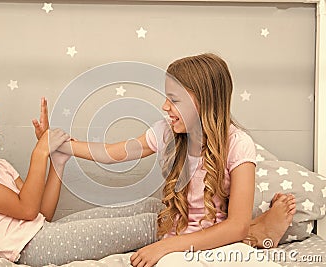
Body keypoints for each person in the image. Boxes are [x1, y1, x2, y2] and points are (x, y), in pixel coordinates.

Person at [50, 53, 296, 266]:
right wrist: (62, 146)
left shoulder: (238, 144)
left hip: (219, 239)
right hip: (179, 238)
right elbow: (114, 153)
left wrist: (166, 247)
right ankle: (259, 231)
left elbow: (236, 225)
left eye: (174, 100)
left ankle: (257, 233)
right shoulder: (166, 132)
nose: (165, 106)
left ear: (205, 102)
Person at [0, 95, 163, 266]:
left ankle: (195, 227)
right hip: (28, 249)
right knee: (147, 225)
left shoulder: (1, 167)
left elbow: (41, 214)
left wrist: (56, 160)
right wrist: (40, 152)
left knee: (151, 207)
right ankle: (198, 233)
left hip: (43, 232)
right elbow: (27, 210)